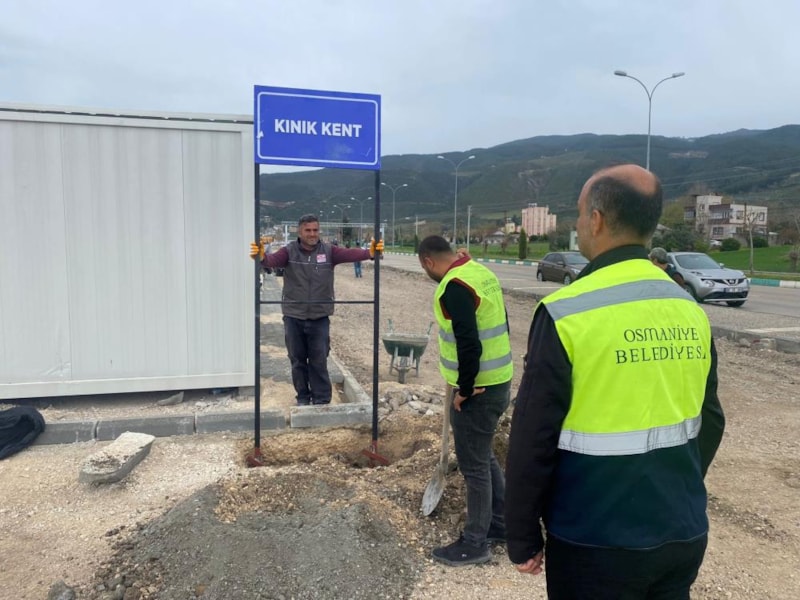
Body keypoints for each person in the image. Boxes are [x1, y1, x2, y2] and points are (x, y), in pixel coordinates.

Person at [505, 164, 725, 598]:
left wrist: (522, 535)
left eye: (579, 213)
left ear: (596, 220)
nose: (578, 224)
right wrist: (675, 488)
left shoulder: (567, 312)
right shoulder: (688, 308)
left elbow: (533, 435)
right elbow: (711, 419)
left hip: (594, 539)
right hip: (680, 530)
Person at [417, 235, 513, 567]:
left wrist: (466, 389)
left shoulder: (454, 287)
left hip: (479, 390)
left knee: (474, 467)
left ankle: (475, 543)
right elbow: (502, 321)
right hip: (499, 380)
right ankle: (500, 524)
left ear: (428, 261)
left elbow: (468, 341)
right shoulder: (478, 272)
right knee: (483, 456)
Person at [250, 214, 383, 405]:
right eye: (308, 230)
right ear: (299, 231)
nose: (312, 234)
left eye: (315, 230)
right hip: (293, 316)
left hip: (319, 317)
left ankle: (321, 399)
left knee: (319, 359)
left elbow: (350, 254)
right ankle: (303, 397)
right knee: (297, 361)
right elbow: (271, 260)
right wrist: (262, 257)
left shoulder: (329, 251)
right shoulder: (289, 251)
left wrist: (369, 253)